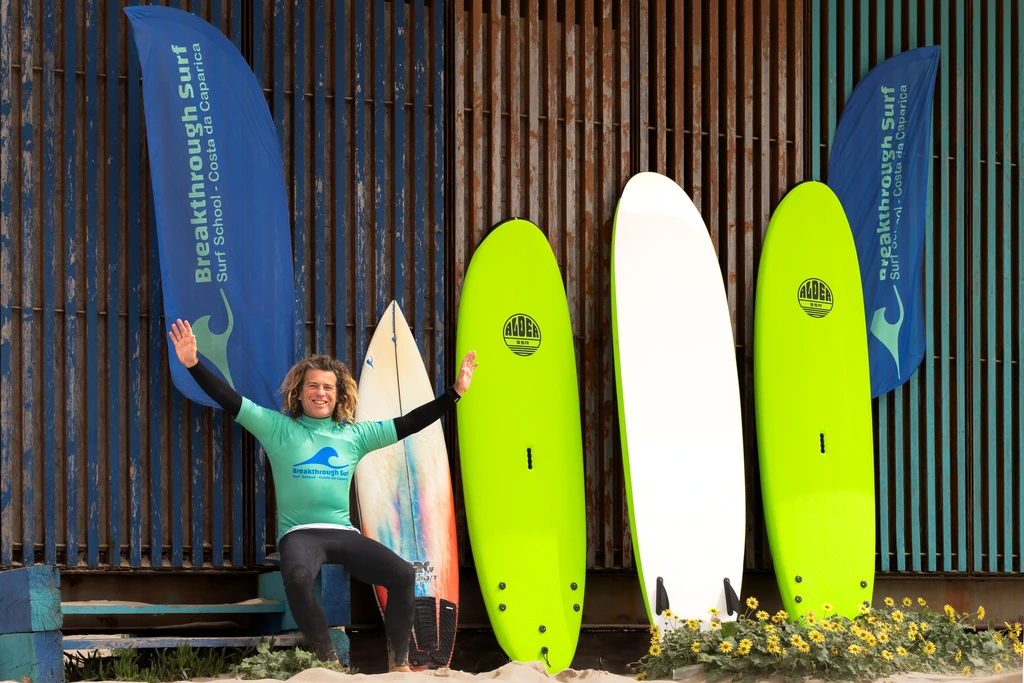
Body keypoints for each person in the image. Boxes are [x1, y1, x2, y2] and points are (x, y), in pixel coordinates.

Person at [168, 319, 478, 672]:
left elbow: (408, 423)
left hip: (342, 533)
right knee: (298, 579)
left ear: (339, 394)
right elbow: (230, 399)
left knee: (404, 574)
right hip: (300, 534)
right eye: (313, 386)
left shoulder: (355, 436)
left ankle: (399, 664)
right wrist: (193, 363)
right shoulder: (277, 428)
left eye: (328, 387)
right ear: (299, 393)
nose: (321, 392)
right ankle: (329, 662)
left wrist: (454, 392)